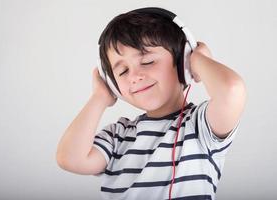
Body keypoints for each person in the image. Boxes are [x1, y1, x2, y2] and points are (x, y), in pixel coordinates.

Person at [56, 7, 247, 200]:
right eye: (122, 72)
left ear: (183, 62)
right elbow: (70, 159)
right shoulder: (118, 135)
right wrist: (99, 98)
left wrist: (198, 59)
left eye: (147, 62)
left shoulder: (201, 125)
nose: (134, 77)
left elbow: (231, 91)